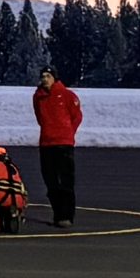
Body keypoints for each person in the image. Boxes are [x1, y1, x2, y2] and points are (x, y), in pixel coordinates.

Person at [33, 67, 83, 228]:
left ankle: (67, 215)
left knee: (66, 181)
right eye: (43, 76)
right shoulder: (38, 97)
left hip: (64, 144)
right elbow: (40, 117)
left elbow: (76, 116)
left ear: (55, 78)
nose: (45, 79)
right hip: (46, 144)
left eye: (48, 76)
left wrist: (68, 132)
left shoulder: (67, 95)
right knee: (51, 181)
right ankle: (57, 213)